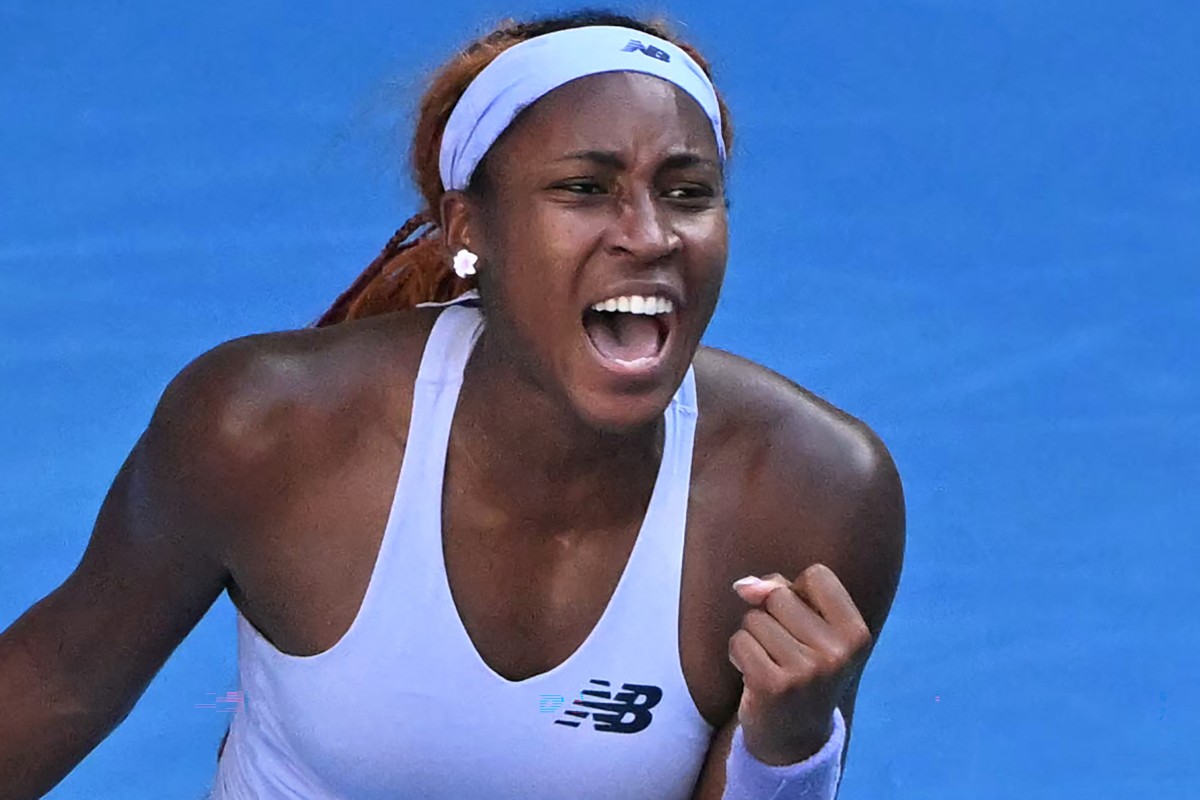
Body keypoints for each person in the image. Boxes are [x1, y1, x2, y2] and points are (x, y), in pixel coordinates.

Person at [0, 10, 904, 800]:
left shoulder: (809, 491)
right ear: (467, 225)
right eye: (585, 188)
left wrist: (787, 752)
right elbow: (58, 682)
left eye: (688, 193)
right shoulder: (265, 432)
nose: (650, 233)